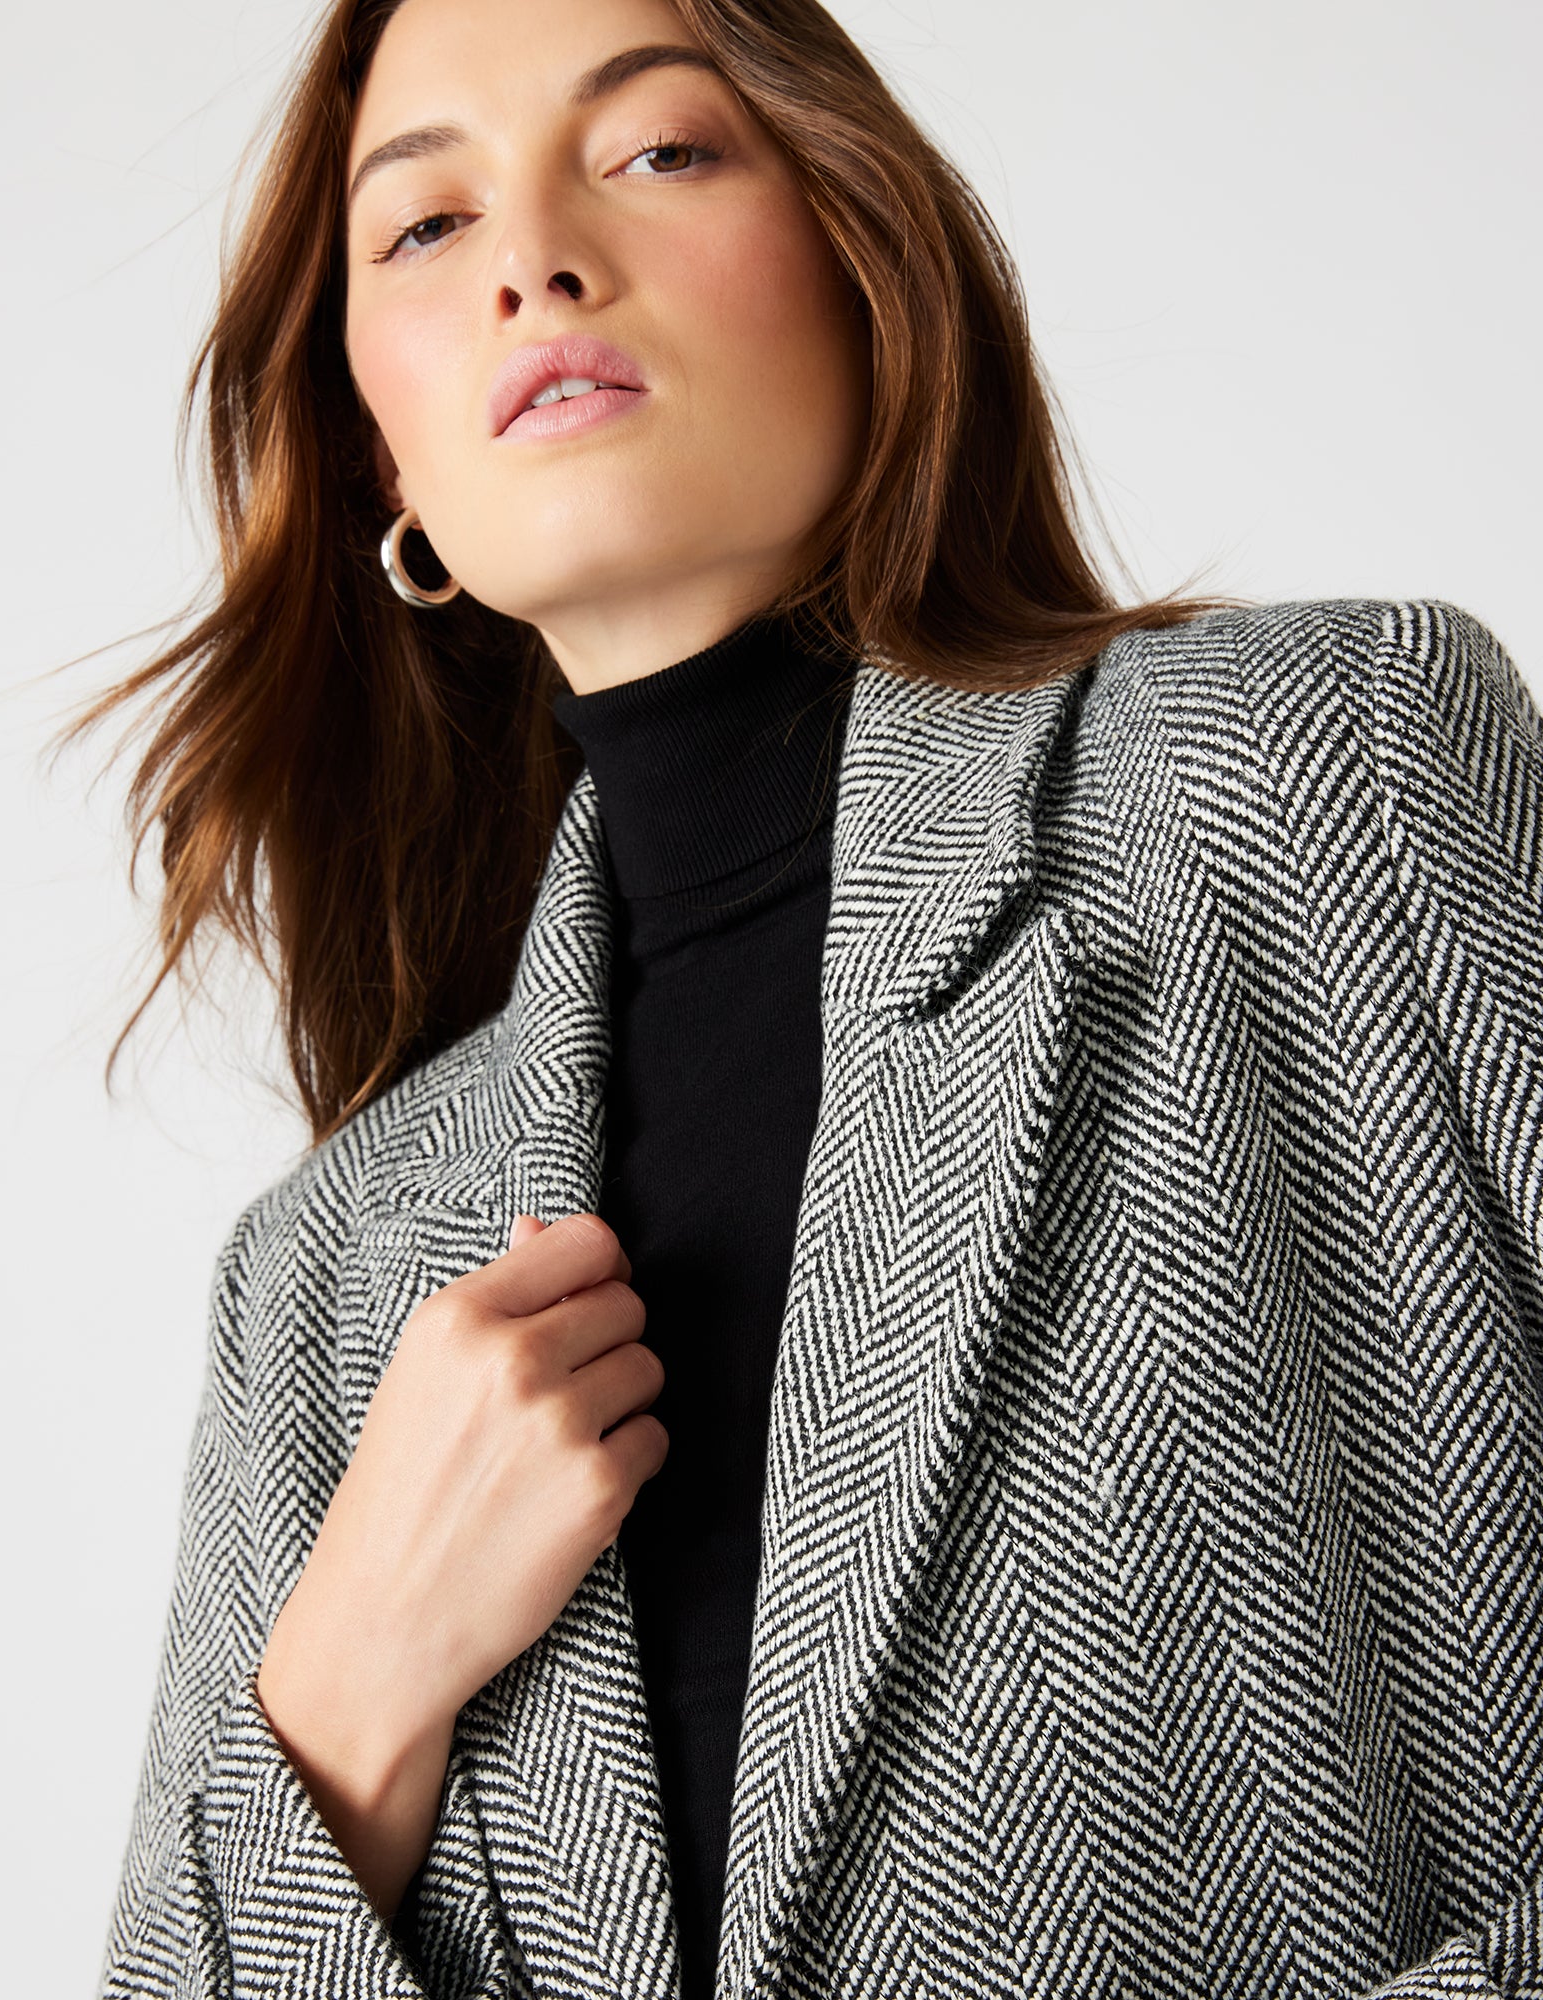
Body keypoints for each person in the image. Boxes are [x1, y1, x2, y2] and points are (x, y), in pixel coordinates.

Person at [82, 0, 1543, 1994]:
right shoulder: (323, 1283)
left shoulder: (1308, 780)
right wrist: (349, 1693)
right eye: (424, 225)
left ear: (867, 264)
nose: (533, 261)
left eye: (657, 151)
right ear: (381, 458)